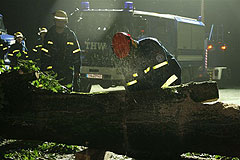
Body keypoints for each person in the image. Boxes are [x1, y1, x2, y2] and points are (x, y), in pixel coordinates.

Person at [112, 32, 181, 91]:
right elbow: (130, 83)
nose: (129, 57)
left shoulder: (150, 45)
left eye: (129, 53)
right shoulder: (126, 60)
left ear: (131, 42)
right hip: (152, 85)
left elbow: (162, 71)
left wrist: (146, 89)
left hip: (170, 78)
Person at [41, 10, 81, 91]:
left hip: (67, 71)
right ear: (55, 21)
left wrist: (77, 71)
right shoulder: (50, 34)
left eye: (61, 21)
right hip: (52, 70)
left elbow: (76, 53)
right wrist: (45, 69)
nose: (59, 23)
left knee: (67, 92)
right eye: (58, 20)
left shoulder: (70, 35)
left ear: (65, 21)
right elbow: (44, 53)